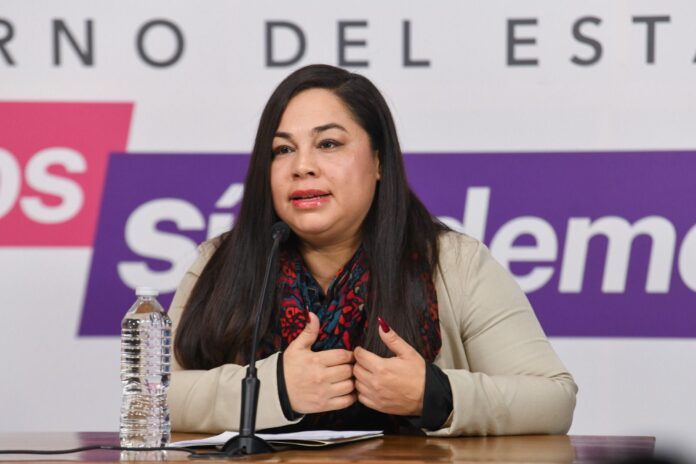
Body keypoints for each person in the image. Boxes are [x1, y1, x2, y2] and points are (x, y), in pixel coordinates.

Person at [168, 64, 577, 436]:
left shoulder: (455, 264)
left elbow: (552, 399)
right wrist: (273, 389)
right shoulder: (220, 263)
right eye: (283, 150)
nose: (302, 166)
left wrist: (435, 394)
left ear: (379, 161)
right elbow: (149, 397)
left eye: (328, 144)